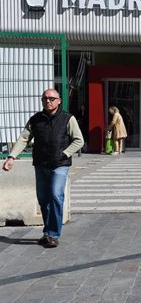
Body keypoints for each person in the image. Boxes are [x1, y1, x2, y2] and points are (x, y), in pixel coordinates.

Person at [2, 89, 84, 248]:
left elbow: (79, 140)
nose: (48, 101)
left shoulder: (68, 118)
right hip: (41, 164)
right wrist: (11, 157)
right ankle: (47, 232)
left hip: (60, 164)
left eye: (52, 98)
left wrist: (65, 154)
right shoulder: (35, 120)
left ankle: (53, 234)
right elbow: (24, 139)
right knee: (43, 199)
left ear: (59, 100)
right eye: (45, 98)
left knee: (55, 195)